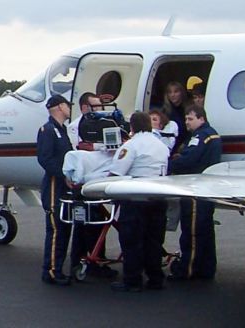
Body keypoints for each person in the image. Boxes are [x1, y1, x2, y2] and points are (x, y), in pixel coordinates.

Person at [108, 112, 170, 292]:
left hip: (136, 199)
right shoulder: (161, 145)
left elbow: (117, 172)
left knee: (132, 241)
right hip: (158, 197)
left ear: (132, 127)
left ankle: (132, 280)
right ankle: (155, 278)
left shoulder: (131, 146)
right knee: (154, 241)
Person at [65, 92, 117, 279]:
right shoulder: (75, 127)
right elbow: (77, 150)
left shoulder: (104, 124)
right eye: (96, 107)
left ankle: (96, 260)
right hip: (84, 181)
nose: (100, 110)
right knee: (84, 222)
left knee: (97, 221)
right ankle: (81, 260)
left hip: (99, 178)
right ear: (85, 108)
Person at [168, 105, 222, 281]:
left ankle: (188, 269)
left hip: (195, 188)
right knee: (205, 232)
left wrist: (169, 165)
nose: (187, 122)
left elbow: (189, 158)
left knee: (192, 232)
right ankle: (206, 269)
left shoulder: (201, 136)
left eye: (190, 119)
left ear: (201, 118)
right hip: (206, 188)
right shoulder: (209, 135)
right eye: (185, 119)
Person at [37, 94, 73, 286]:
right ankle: (50, 271)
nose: (70, 108)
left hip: (63, 186)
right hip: (54, 186)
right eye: (67, 105)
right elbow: (45, 159)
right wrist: (62, 175)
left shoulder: (62, 130)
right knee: (56, 229)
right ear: (59, 107)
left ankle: (57, 268)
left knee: (64, 229)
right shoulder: (48, 130)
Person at [162, 81, 189, 152]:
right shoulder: (164, 112)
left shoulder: (188, 109)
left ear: (181, 93)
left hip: (186, 145)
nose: (172, 95)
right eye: (170, 92)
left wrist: (185, 143)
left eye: (176, 92)